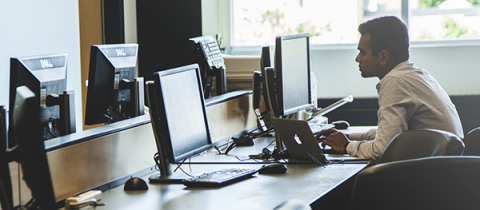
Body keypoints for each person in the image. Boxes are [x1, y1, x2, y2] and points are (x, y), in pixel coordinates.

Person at [316, 16, 464, 160]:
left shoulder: (395, 82)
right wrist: (345, 137)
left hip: (427, 175)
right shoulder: (415, 75)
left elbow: (382, 150)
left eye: (362, 52)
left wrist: (346, 146)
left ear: (383, 57)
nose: (357, 59)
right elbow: (390, 135)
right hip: (441, 170)